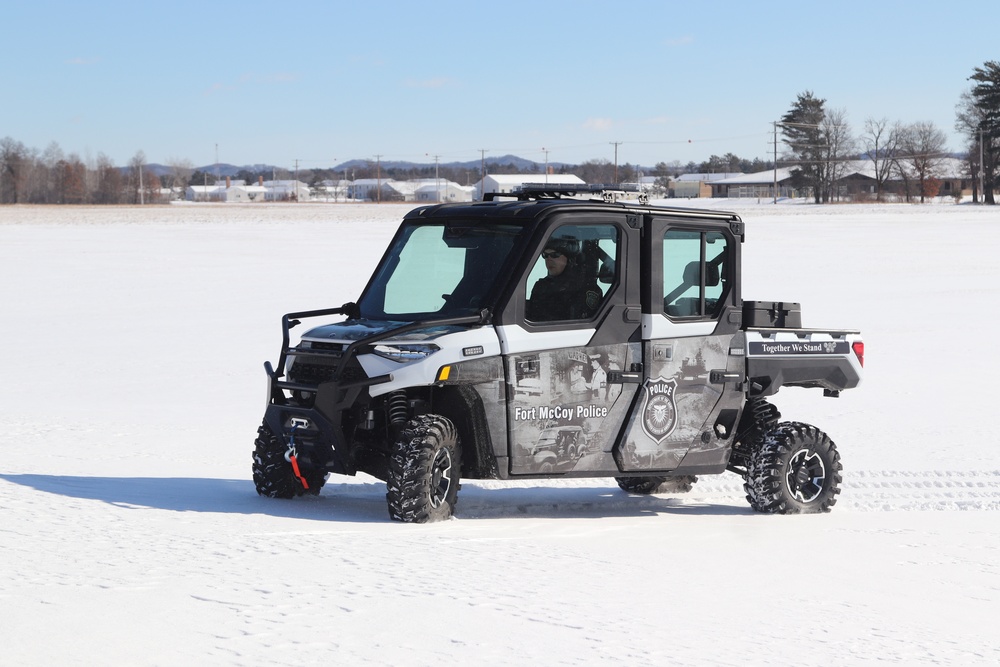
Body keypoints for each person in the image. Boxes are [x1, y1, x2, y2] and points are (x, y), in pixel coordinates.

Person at [525, 238, 602, 322]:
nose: (549, 259)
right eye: (545, 255)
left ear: (569, 259)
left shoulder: (586, 289)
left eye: (555, 255)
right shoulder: (541, 287)